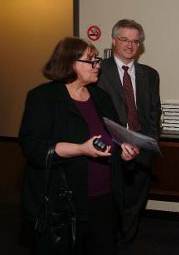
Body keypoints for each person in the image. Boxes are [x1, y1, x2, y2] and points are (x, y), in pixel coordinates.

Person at [19, 37, 137, 254]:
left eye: (97, 60)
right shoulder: (43, 97)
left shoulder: (100, 97)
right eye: (91, 60)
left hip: (104, 200)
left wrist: (124, 151)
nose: (98, 65)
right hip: (63, 204)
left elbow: (116, 137)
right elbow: (34, 149)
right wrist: (81, 149)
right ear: (70, 63)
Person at [97, 19, 161, 249]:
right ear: (114, 40)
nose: (130, 45)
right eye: (124, 39)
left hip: (141, 151)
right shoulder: (98, 70)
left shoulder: (150, 75)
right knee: (111, 204)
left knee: (135, 205)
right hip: (109, 152)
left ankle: (125, 244)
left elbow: (154, 114)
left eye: (136, 41)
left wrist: (148, 146)